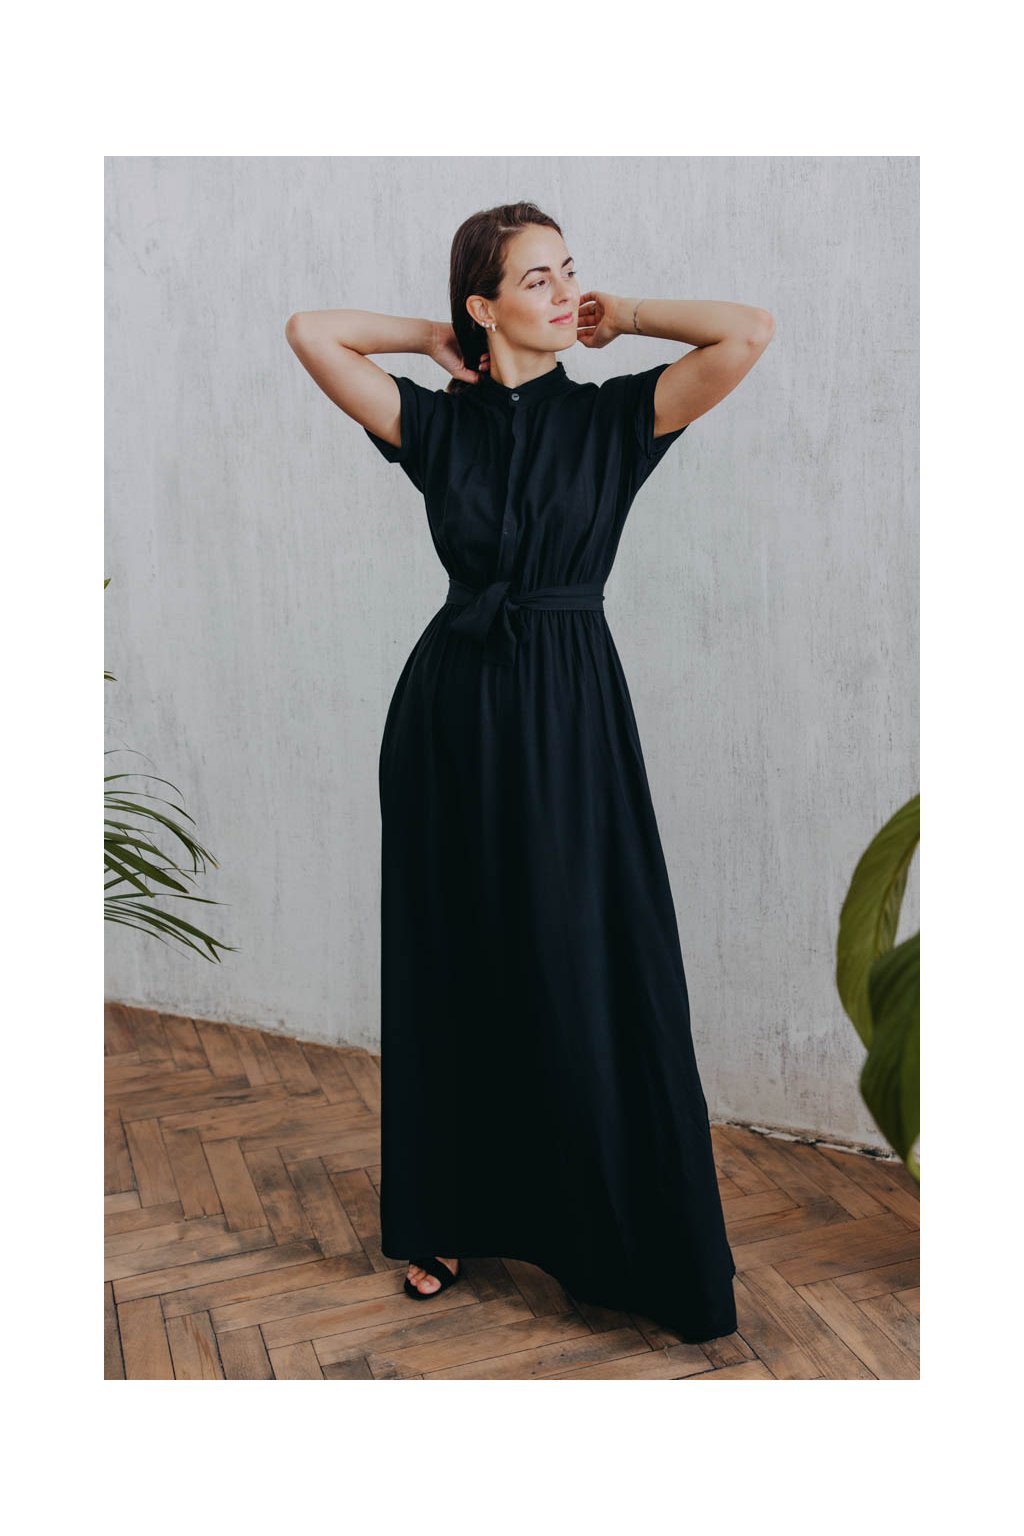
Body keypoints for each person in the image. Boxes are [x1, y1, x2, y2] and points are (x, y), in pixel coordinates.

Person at [285, 200, 774, 1344]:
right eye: (537, 278)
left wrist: (626, 314)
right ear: (485, 304)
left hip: (568, 709)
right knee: (453, 962)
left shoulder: (616, 417)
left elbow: (746, 331)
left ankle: (608, 1238)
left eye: (569, 271)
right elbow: (313, 332)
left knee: (583, 959)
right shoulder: (432, 424)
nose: (562, 291)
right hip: (451, 714)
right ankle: (447, 1215)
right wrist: (429, 339)